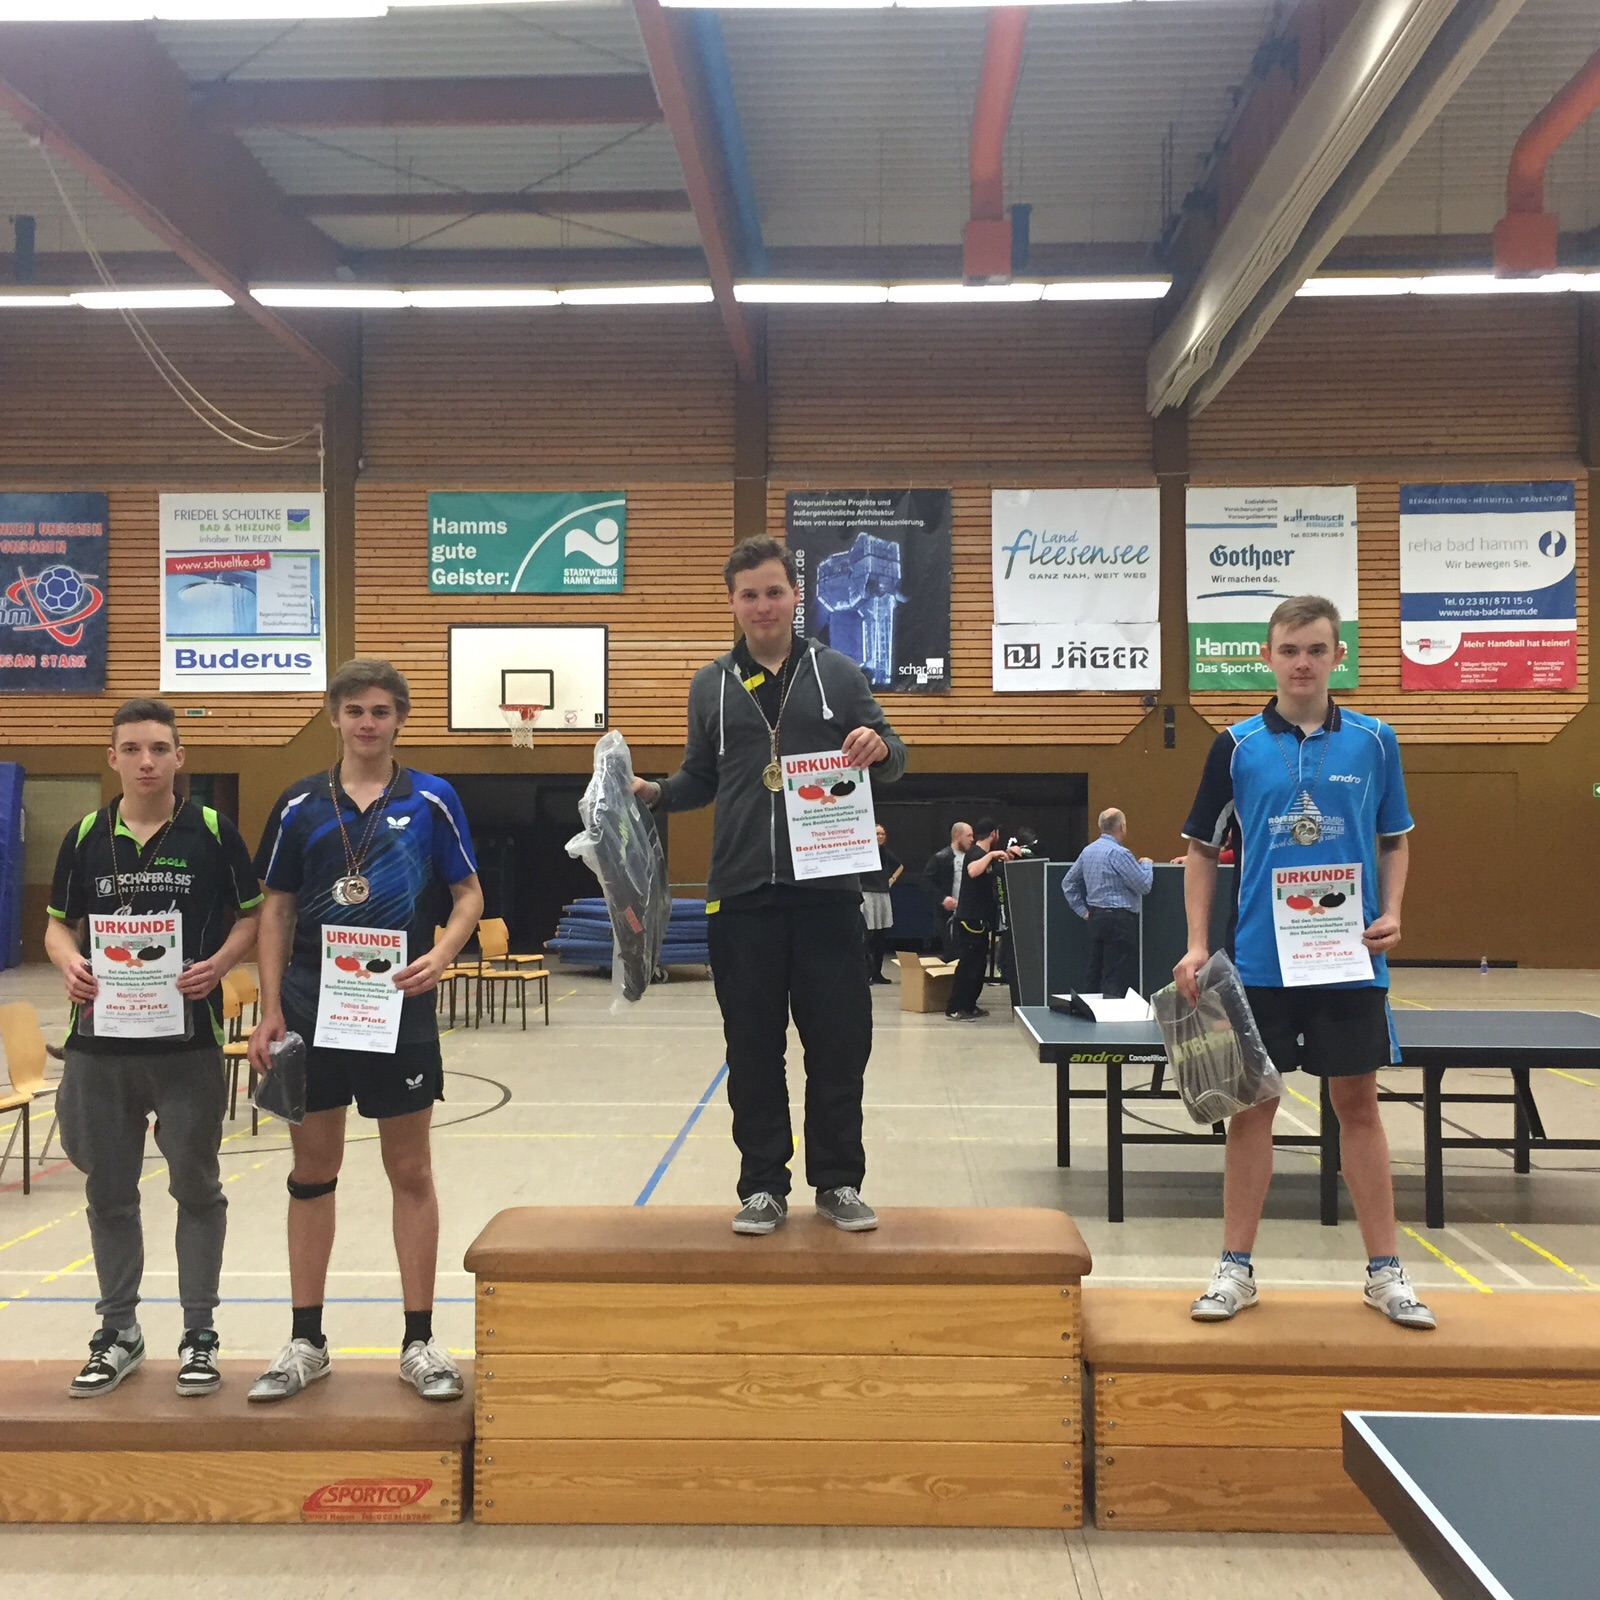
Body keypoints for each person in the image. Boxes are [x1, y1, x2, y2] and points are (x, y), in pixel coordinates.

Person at [634, 536, 906, 1236]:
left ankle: (839, 1182)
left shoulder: (838, 672)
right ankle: (762, 1187)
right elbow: (700, 778)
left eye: (774, 592)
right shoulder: (710, 684)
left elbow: (894, 756)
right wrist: (656, 793)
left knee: (839, 1047)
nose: (763, 605)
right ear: (732, 603)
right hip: (740, 897)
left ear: (795, 597)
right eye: (749, 594)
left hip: (829, 893)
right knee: (752, 1051)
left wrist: (879, 748)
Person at [1175, 595, 1433, 1331]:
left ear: (1338, 657)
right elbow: (1200, 849)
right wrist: (1197, 943)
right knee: (1251, 1110)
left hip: (1347, 960)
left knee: (1359, 1107)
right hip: (1259, 961)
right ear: (1267, 657)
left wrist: (1392, 911)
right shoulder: (1234, 745)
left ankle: (1385, 1273)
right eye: (1289, 650)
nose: (1302, 663)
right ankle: (1235, 1269)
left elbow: (1395, 838)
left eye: (1317, 649)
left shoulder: (1376, 741)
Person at [247, 660, 485, 1402]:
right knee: (312, 1171)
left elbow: (468, 893)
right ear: (334, 717)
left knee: (409, 1171)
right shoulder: (298, 804)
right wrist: (269, 1007)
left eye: (381, 711)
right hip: (310, 1010)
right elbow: (276, 908)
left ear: (400, 718)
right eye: (355, 711)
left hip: (398, 1011)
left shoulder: (433, 798)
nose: (367, 723)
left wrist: (442, 954)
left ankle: (419, 1342)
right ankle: (306, 1341)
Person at [44, 698, 262, 1398]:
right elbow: (57, 926)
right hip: (99, 1045)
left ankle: (199, 1333)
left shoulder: (212, 832)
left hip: (187, 1043)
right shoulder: (85, 835)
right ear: (112, 758)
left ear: (179, 758)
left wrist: (219, 964)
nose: (146, 761)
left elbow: (253, 918)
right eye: (133, 749)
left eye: (159, 749)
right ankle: (119, 1331)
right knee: (108, 1192)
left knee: (196, 1188)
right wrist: (69, 962)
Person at [1062, 808, 1153, 999]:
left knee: (1094, 971)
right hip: (1120, 920)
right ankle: (1111, 1013)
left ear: (1100, 827)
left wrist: (1082, 910)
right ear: (1122, 826)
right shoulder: (1120, 853)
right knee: (1116, 975)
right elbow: (1143, 885)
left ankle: (1087, 1010)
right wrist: (1146, 864)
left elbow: (1068, 882)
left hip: (1095, 917)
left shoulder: (1088, 851)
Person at [945, 819, 1020, 1020]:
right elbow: (973, 870)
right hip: (969, 920)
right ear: (993, 834)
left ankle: (969, 1005)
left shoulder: (986, 857)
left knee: (978, 967)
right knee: (968, 966)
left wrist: (1006, 856)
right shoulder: (975, 854)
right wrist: (993, 855)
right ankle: (956, 1007)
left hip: (981, 920)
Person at [860, 823, 903, 984]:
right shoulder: (863, 852)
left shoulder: (886, 853)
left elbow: (900, 866)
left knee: (880, 936)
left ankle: (877, 973)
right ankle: (866, 973)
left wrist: (892, 879)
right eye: (877, 834)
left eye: (882, 834)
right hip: (868, 894)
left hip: (882, 894)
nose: (880, 837)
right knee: (867, 937)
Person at [922, 821, 973, 958]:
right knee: (952, 951)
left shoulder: (972, 857)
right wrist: (942, 899)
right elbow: (926, 881)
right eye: (968, 836)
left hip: (968, 911)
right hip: (949, 913)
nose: (972, 839)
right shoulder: (942, 858)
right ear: (958, 836)